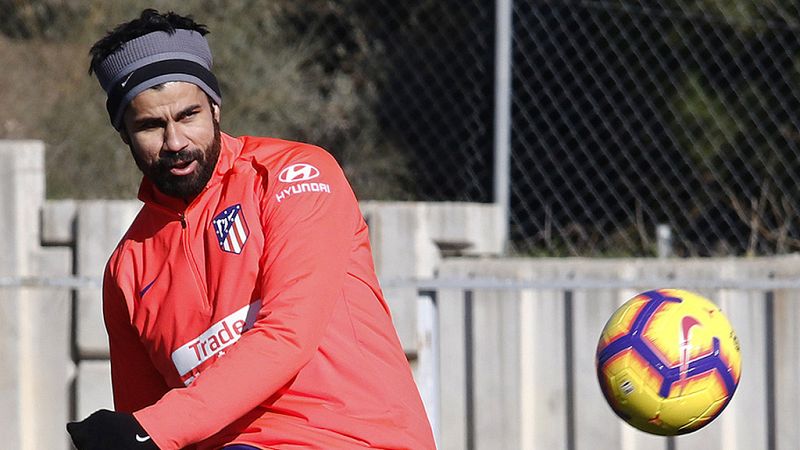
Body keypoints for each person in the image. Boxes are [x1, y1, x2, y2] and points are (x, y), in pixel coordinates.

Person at [66, 9, 436, 450]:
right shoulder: (126, 270)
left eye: (189, 115)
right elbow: (148, 429)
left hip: (354, 438)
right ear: (124, 134)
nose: (176, 142)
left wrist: (152, 430)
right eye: (150, 125)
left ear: (216, 108)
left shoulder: (294, 174)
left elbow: (287, 334)